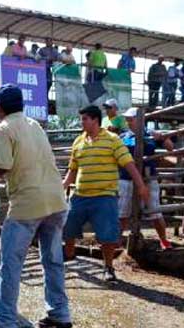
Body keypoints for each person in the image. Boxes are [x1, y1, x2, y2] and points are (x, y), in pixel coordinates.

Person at [0, 85, 71, 328]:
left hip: (27, 206)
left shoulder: (4, 128)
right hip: (56, 202)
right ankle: (60, 313)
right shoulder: (34, 125)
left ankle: (5, 322)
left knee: (10, 263)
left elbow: (3, 166)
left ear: (0, 107)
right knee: (53, 261)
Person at [63, 105, 149, 282]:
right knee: (67, 226)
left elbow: (128, 164)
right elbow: (72, 169)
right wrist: (62, 186)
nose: (82, 122)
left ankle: (108, 267)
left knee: (107, 235)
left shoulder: (112, 139)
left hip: (104, 195)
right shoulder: (78, 141)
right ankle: (69, 254)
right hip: (80, 195)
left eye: (85, 119)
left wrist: (141, 185)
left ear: (95, 120)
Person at [118, 107, 174, 250]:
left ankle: (164, 241)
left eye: (131, 119)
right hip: (126, 178)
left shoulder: (150, 134)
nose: (128, 122)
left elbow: (170, 148)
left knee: (155, 211)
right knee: (122, 213)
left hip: (148, 178)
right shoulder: (123, 137)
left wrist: (162, 137)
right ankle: (117, 241)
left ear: (140, 120)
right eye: (127, 119)